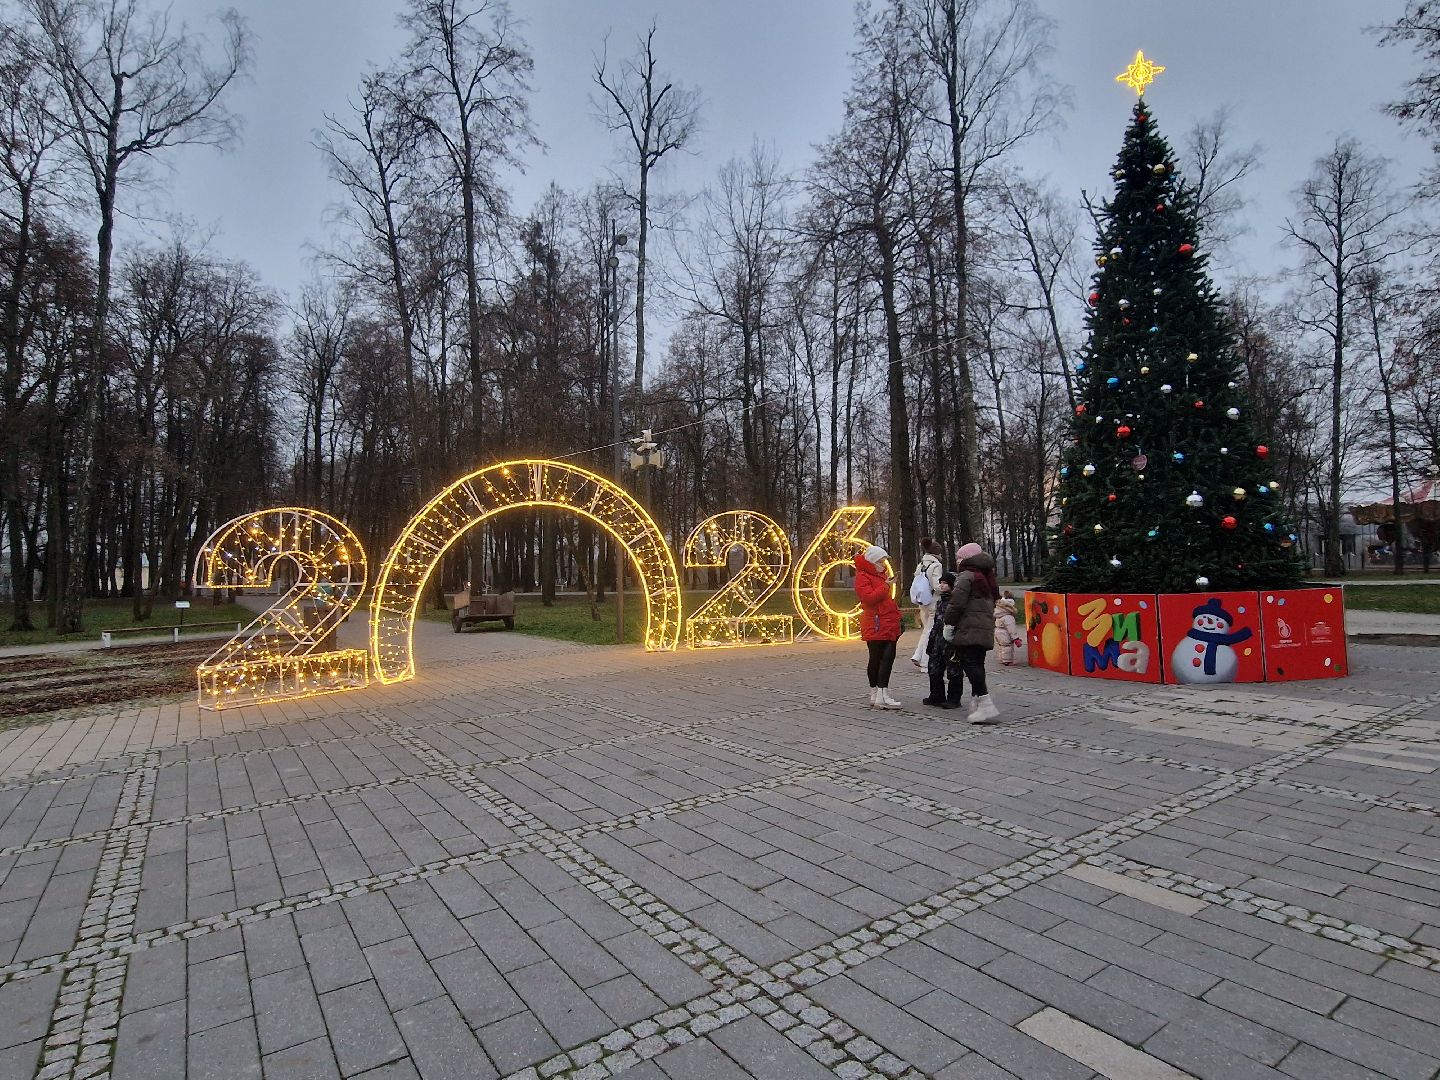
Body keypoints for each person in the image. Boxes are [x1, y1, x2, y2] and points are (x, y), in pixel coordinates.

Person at [942, 542, 1000, 723]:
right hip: (983, 626)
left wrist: (949, 622)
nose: (957, 561)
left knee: (971, 665)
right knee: (977, 664)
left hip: (969, 627)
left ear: (965, 559)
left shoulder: (966, 576)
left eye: (959, 558)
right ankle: (977, 702)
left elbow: (957, 603)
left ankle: (986, 703)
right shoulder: (986, 575)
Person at [854, 543, 903, 709]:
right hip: (877, 621)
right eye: (881, 561)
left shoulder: (877, 576)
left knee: (882, 657)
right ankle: (880, 694)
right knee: (881, 658)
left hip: (884, 620)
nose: (884, 564)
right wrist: (887, 585)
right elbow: (869, 598)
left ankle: (877, 693)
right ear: (873, 561)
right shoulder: (864, 576)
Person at [922, 572, 960, 707]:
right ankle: (936, 695)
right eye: (941, 583)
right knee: (934, 668)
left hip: (950, 641)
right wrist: (931, 640)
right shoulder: (940, 602)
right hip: (938, 639)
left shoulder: (956, 602)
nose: (942, 585)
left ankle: (954, 698)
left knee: (953, 670)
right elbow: (936, 622)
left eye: (945, 583)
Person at [909, 537, 946, 670]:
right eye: (940, 553)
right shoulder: (936, 565)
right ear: (936, 553)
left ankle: (917, 656)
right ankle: (925, 662)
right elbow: (936, 586)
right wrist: (947, 588)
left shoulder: (921, 565)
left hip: (922, 602)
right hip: (933, 603)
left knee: (926, 630)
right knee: (930, 632)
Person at [994, 592, 1021, 666]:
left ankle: (1001, 659)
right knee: (1007, 646)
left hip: (997, 631)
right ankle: (1007, 660)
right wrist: (1016, 638)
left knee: (1001, 646)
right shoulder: (1008, 617)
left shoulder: (999, 614)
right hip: (1005, 633)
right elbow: (1012, 628)